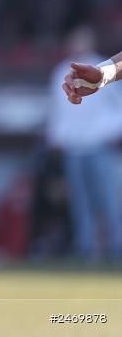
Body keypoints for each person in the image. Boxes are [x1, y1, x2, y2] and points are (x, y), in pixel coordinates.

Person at [51, 28, 122, 260]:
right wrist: (103, 75)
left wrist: (112, 131)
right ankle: (86, 250)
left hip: (100, 145)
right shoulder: (61, 71)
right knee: (81, 205)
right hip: (74, 147)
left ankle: (116, 249)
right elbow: (56, 112)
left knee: (110, 201)